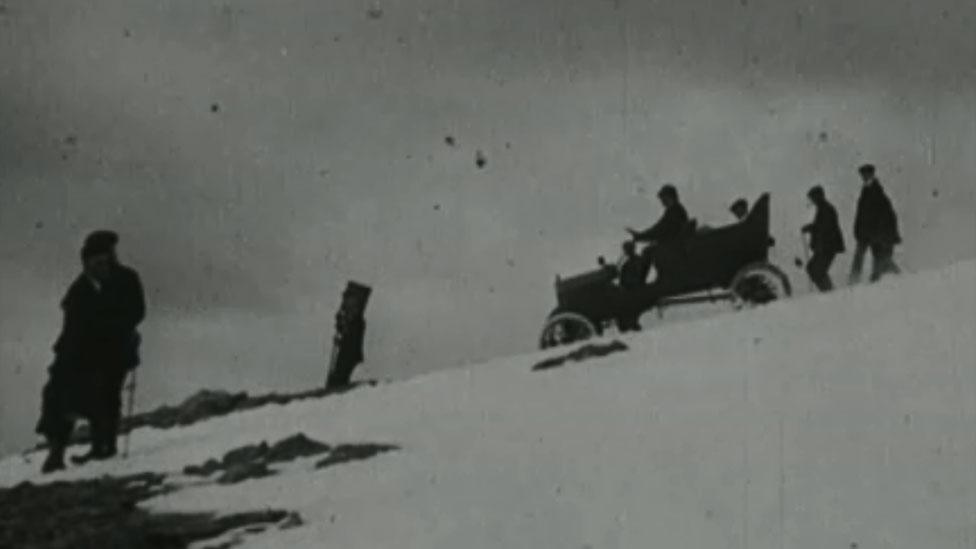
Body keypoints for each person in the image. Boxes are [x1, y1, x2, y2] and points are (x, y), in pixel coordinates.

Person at [35, 230, 146, 473]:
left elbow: (137, 312)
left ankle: (103, 447)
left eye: (106, 260)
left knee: (104, 394)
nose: (103, 266)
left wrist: (112, 329)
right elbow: (71, 329)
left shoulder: (127, 279)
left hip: (115, 351)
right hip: (78, 355)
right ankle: (56, 451)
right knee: (56, 394)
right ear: (86, 264)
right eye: (96, 263)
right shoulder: (78, 290)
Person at [849, 164, 902, 283]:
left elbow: (885, 215)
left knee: (881, 259)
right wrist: (857, 230)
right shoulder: (866, 192)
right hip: (867, 233)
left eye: (866, 174)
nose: (864, 177)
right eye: (863, 175)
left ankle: (878, 279)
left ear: (872, 174)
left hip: (876, 234)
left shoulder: (877, 192)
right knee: (867, 256)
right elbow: (861, 214)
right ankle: (855, 279)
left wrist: (880, 233)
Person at [326, 282, 371, 390]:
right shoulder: (354, 319)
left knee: (339, 376)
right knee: (336, 375)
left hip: (349, 355)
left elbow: (350, 329)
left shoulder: (357, 322)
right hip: (347, 353)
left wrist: (342, 326)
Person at [801, 186, 845, 292]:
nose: (812, 201)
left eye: (812, 198)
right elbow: (820, 226)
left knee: (816, 270)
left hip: (827, 247)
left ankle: (829, 292)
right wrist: (810, 227)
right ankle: (828, 291)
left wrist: (811, 229)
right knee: (813, 268)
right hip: (825, 247)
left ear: (818, 197)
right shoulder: (823, 208)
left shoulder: (826, 209)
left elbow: (825, 229)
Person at [615, 241, 644, 332]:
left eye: (626, 249)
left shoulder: (636, 261)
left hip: (633, 289)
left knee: (626, 306)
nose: (625, 251)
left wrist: (625, 286)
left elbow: (637, 276)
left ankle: (630, 325)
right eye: (625, 249)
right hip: (629, 288)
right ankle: (627, 325)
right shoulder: (629, 261)